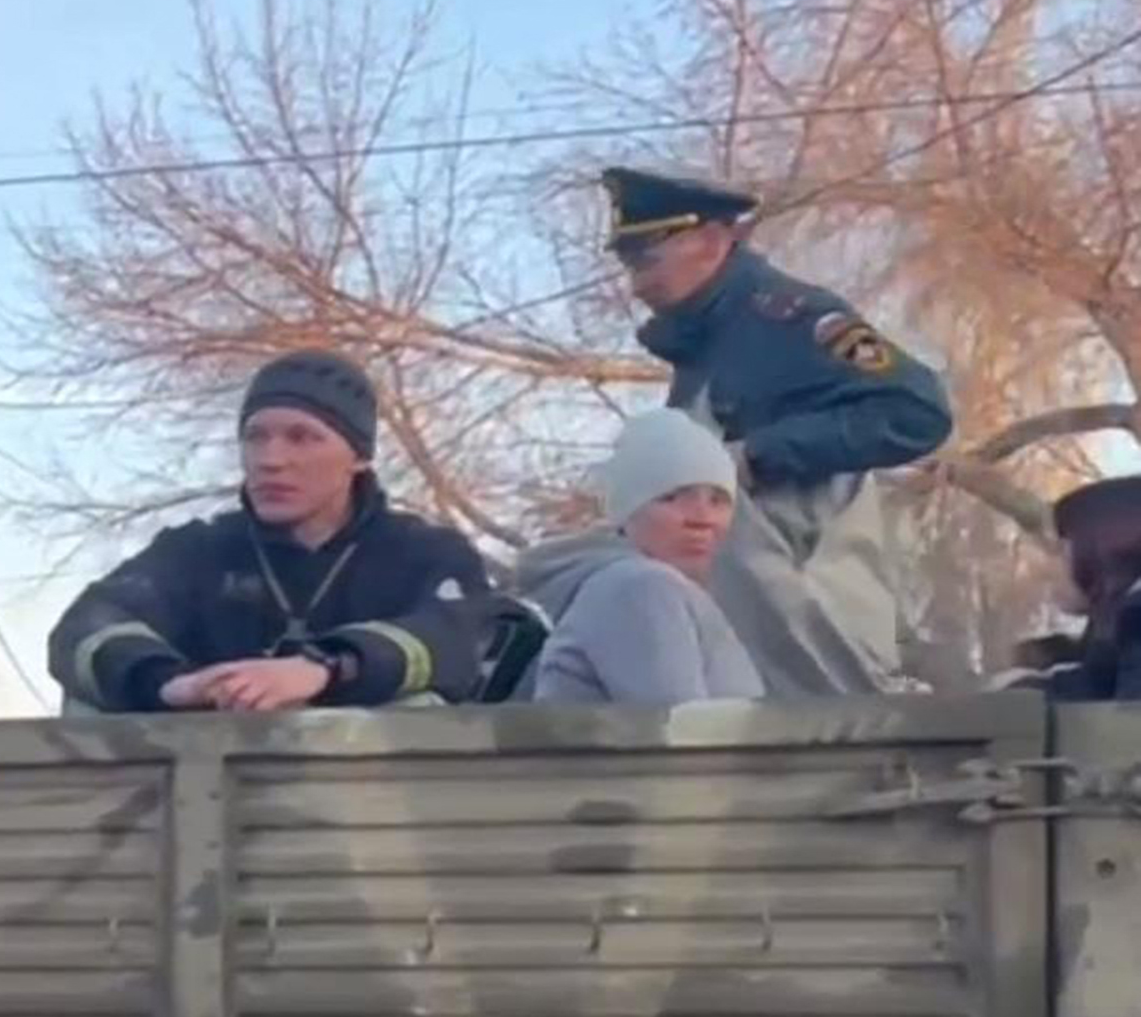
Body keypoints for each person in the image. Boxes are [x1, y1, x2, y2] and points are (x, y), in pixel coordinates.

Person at [601, 164, 953, 697]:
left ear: (714, 240)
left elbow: (916, 411)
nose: (637, 286)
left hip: (815, 621)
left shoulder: (790, 318)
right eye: (630, 267)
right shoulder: (702, 344)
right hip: (749, 641)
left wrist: (757, 456)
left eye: (647, 261)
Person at [48, 350, 501, 713]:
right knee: (90, 701)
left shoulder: (424, 553)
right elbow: (85, 626)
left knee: (422, 704)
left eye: (302, 437)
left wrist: (327, 669)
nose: (271, 459)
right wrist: (170, 685)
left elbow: (456, 638)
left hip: (366, 802)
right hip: (203, 786)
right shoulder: (196, 552)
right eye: (255, 436)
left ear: (359, 457)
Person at [511, 408, 765, 704]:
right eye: (671, 497)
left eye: (718, 500)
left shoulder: (637, 587)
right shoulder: (640, 587)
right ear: (627, 511)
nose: (703, 518)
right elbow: (679, 733)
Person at [1007, 476, 1141, 699]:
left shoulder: (1137, 623)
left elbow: (1123, 728)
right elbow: (1092, 689)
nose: (1044, 570)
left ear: (1103, 547)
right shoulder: (1121, 629)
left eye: (1059, 550)